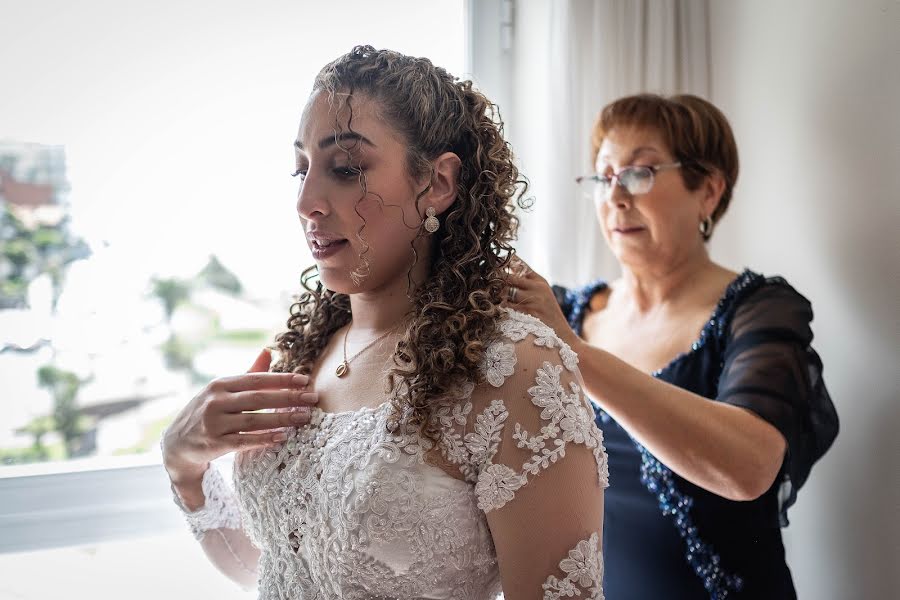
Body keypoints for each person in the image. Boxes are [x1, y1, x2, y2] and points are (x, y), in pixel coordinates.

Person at [161, 45, 608, 600]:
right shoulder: (302, 354)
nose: (306, 201)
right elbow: (277, 568)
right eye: (301, 168)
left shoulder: (513, 371)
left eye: (345, 168)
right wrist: (183, 464)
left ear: (438, 183)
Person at [505, 93, 839, 599]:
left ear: (707, 190)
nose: (615, 196)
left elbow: (751, 466)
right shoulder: (566, 310)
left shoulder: (760, 309)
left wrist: (577, 355)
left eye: (639, 173)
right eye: (603, 176)